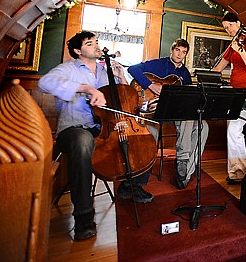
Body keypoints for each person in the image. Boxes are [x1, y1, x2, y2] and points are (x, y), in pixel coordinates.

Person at [38, 31, 157, 241]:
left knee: (149, 134)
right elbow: (44, 83)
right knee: (83, 141)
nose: (96, 46)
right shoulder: (68, 69)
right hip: (74, 129)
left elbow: (123, 100)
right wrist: (84, 88)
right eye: (90, 43)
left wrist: (121, 78)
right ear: (78, 50)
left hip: (102, 128)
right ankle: (84, 216)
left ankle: (131, 186)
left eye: (96, 42)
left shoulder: (105, 72)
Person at [128, 38, 209, 189]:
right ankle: (182, 159)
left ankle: (185, 172)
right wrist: (151, 85)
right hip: (157, 108)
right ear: (172, 50)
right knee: (186, 116)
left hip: (175, 110)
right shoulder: (158, 64)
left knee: (203, 126)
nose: (180, 55)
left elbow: (187, 96)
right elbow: (132, 69)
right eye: (177, 50)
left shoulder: (184, 73)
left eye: (183, 52)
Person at [212, 12, 246, 184]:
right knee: (233, 131)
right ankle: (239, 171)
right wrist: (207, 77)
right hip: (234, 92)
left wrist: (240, 51)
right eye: (225, 28)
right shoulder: (232, 44)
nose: (228, 30)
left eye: (230, 26)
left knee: (234, 130)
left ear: (238, 23)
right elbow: (219, 67)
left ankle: (240, 172)